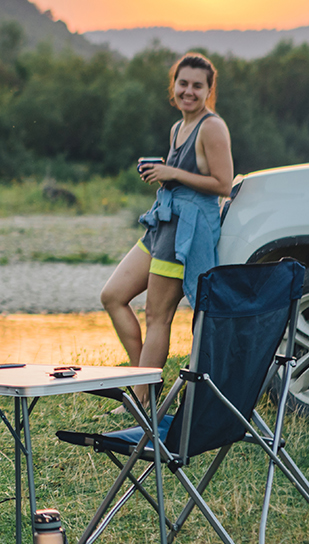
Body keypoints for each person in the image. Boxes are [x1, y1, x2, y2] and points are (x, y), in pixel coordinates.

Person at [100, 53, 234, 399]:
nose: (188, 91)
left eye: (197, 86)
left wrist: (172, 173)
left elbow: (223, 184)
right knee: (113, 296)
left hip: (187, 231)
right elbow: (187, 176)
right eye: (183, 83)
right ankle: (145, 382)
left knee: (157, 317)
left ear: (208, 90)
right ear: (173, 86)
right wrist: (161, 172)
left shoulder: (212, 127)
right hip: (164, 221)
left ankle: (142, 398)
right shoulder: (178, 127)